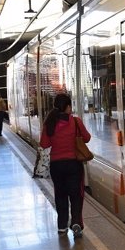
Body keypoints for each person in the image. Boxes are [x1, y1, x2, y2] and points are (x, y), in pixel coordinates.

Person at [39, 93, 91, 238]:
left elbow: (44, 144)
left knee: (60, 195)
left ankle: (62, 226)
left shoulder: (50, 123)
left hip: (56, 166)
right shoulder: (76, 122)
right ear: (68, 107)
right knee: (76, 195)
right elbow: (87, 138)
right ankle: (76, 223)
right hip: (74, 164)